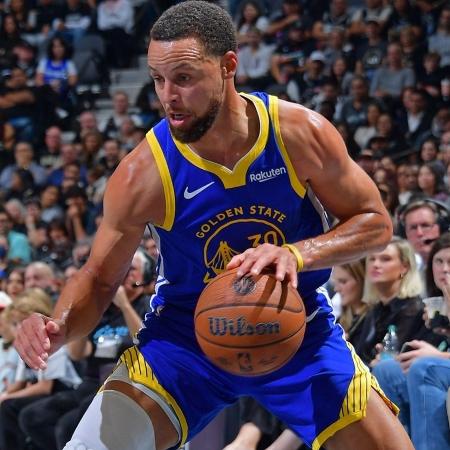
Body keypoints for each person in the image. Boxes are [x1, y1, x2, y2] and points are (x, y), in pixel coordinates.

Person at [14, 3, 413, 450]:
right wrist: (58, 324)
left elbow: (374, 222)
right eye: (157, 79)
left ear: (228, 66)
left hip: (297, 327)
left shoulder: (297, 132)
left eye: (183, 78)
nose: (168, 96)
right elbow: (99, 277)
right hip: (185, 340)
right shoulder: (143, 172)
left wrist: (297, 253)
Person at [372, 232, 450, 450]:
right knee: (386, 369)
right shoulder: (433, 307)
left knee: (425, 368)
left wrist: (437, 355)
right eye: (438, 261)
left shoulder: (412, 306)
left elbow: (432, 359)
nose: (444, 269)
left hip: (435, 367)